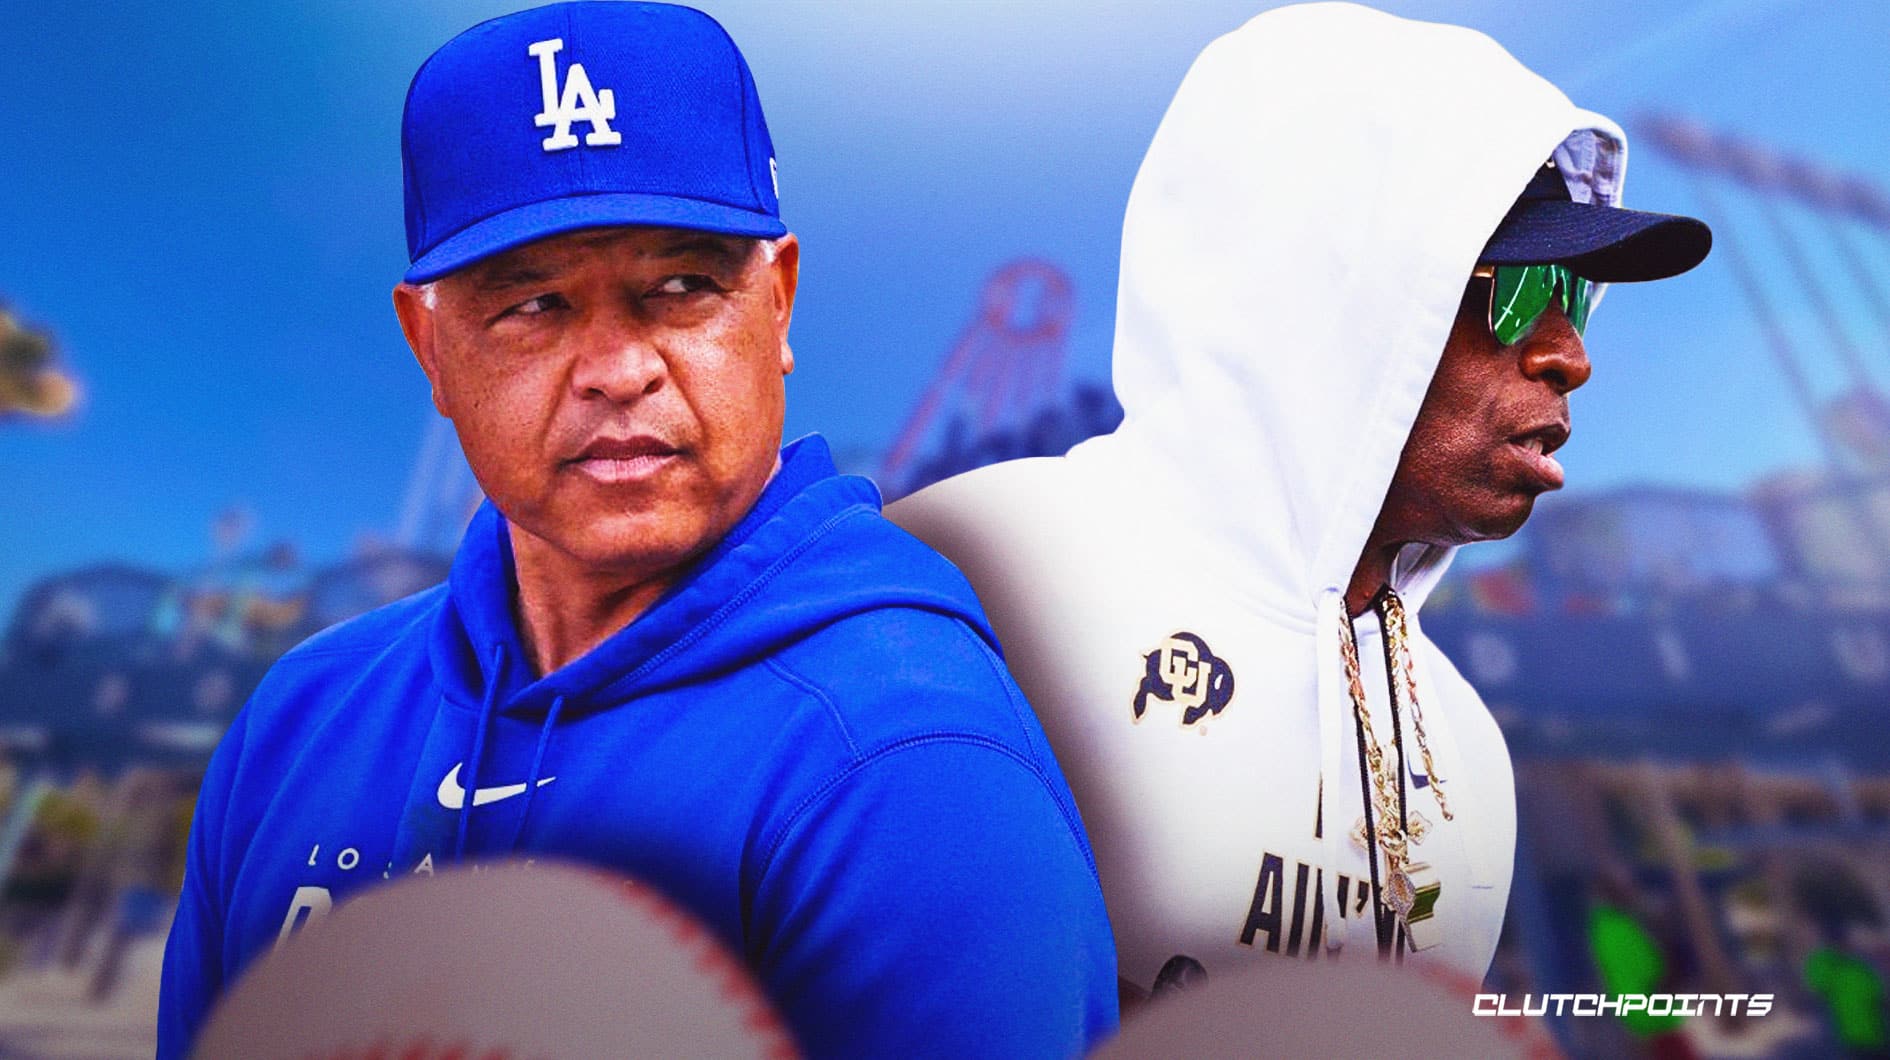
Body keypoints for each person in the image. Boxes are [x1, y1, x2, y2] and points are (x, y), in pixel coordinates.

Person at [157, 4, 1117, 1057]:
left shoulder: (906, 761)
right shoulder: (302, 720)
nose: (618, 367)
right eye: (533, 305)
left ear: (778, 305)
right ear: (430, 349)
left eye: (679, 288)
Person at [890, 2, 1710, 1007]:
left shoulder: (1468, 761)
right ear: (1325, 290)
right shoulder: (971, 572)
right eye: (1515, 287)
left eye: (1575, 293)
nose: (1567, 354)